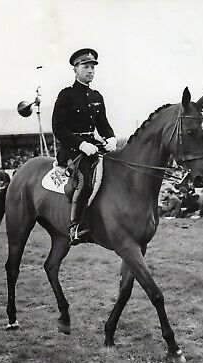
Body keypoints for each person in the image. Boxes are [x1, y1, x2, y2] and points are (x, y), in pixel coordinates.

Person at [52, 48, 117, 245]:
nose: (90, 70)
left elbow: (103, 124)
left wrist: (111, 137)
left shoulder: (97, 96)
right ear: (75, 69)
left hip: (94, 146)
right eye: (85, 66)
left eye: (92, 67)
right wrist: (81, 144)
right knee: (85, 180)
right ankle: (76, 227)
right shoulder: (66, 96)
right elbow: (58, 129)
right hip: (73, 151)